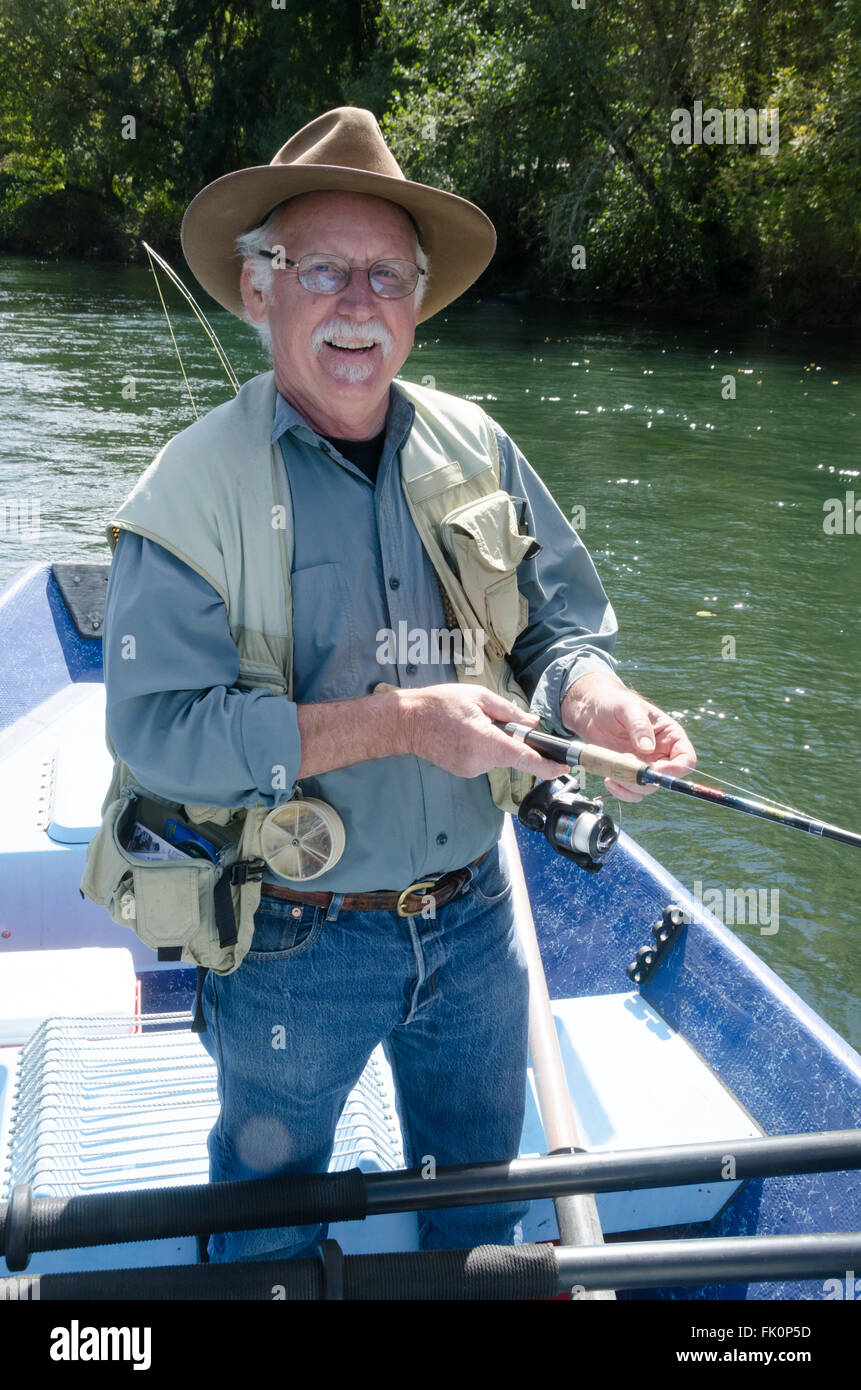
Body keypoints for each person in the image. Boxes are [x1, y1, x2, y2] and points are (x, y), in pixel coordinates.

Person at [101, 107, 696, 1262]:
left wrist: (595, 703)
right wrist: (402, 723)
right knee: (264, 1239)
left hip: (477, 922)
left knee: (478, 1216)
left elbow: (556, 631)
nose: (357, 303)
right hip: (290, 942)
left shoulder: (478, 444)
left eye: (386, 275)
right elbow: (162, 737)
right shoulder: (184, 497)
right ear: (258, 284)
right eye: (323, 269)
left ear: (418, 302)